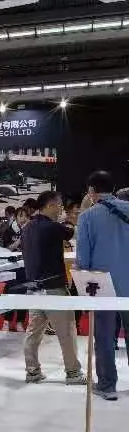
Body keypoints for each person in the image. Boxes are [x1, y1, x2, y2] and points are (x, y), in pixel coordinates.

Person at [22, 191, 85, 385]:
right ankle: (73, 373)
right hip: (54, 288)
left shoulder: (27, 227)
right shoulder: (53, 227)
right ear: (50, 205)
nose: (61, 210)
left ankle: (32, 372)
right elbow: (77, 232)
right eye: (59, 206)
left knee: (33, 333)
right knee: (67, 332)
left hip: (33, 289)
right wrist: (81, 213)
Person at [76, 171, 129, 400]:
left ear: (91, 190)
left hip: (103, 285)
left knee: (105, 337)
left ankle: (107, 386)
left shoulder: (88, 217)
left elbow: (83, 259)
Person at [1, 206, 29, 332]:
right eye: (21, 215)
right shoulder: (9, 231)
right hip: (12, 267)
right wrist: (18, 241)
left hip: (26, 266)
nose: (23, 218)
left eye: (26, 216)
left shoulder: (30, 231)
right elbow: (6, 249)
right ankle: (6, 321)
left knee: (24, 293)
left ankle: (19, 321)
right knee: (10, 292)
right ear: (16, 217)